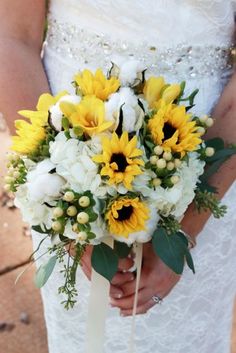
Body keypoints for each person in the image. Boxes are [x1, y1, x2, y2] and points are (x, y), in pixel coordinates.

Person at [0, 1, 236, 352]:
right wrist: (65, 208)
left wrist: (187, 228)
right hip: (65, 157)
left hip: (209, 164)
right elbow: (13, 36)